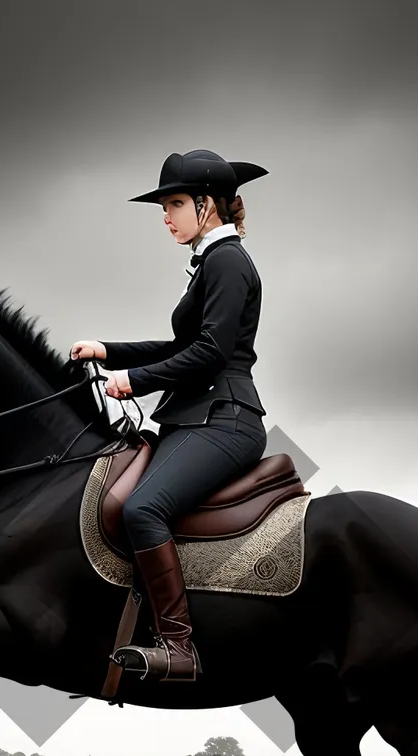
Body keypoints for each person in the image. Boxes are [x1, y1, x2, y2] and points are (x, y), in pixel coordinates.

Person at [70, 149, 270, 683]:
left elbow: (208, 353)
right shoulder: (210, 261)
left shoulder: (227, 261)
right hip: (198, 415)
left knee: (142, 510)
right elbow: (180, 344)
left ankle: (179, 647)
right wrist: (108, 350)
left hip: (224, 418)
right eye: (164, 205)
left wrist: (134, 381)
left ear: (207, 206)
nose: (165, 215)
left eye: (175, 203)